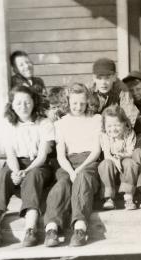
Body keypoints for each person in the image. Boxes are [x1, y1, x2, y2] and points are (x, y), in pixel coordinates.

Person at [0, 86, 54, 248]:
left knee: (33, 174)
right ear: (12, 105)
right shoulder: (8, 125)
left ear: (34, 103)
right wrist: (16, 172)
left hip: (40, 166)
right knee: (3, 175)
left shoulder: (44, 123)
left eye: (27, 102)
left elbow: (42, 156)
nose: (23, 106)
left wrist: (25, 172)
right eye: (18, 103)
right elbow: (10, 155)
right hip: (17, 164)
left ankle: (30, 228)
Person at [43, 83, 102, 247]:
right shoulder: (61, 124)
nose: (79, 107)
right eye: (74, 103)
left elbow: (96, 151)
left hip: (88, 162)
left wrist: (80, 169)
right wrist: (70, 171)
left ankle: (80, 227)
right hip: (67, 163)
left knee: (82, 179)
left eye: (82, 103)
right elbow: (61, 155)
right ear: (68, 102)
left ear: (88, 102)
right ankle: (52, 228)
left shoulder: (96, 119)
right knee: (61, 186)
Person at [98, 105, 141, 210]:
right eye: (109, 126)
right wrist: (115, 161)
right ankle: (109, 198)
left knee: (130, 163)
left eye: (116, 125)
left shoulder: (129, 133)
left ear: (124, 123)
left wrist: (120, 158)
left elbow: (130, 152)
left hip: (125, 160)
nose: (113, 129)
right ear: (104, 126)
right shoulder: (104, 135)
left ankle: (128, 196)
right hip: (111, 163)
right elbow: (107, 154)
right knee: (105, 164)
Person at [88, 58, 139, 125]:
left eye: (107, 78)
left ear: (114, 77)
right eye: (99, 78)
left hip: (114, 125)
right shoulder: (88, 89)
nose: (103, 83)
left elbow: (131, 115)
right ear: (93, 78)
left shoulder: (122, 89)